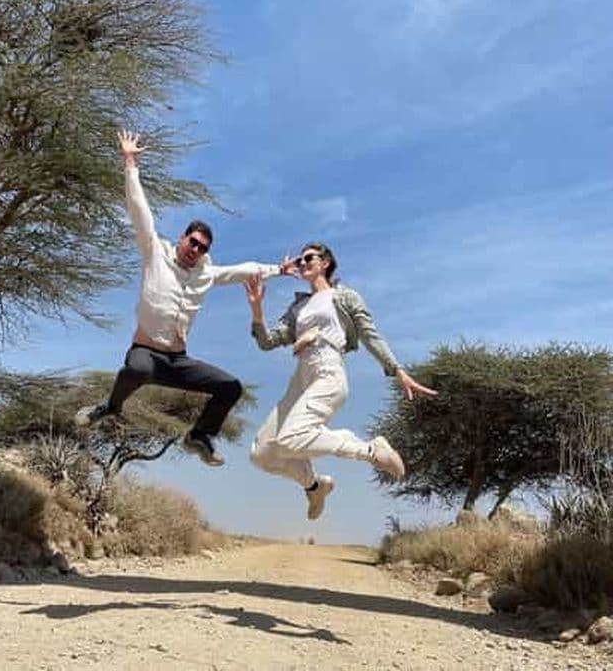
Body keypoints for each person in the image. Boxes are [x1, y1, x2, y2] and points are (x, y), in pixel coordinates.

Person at [76, 129, 295, 466]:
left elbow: (244, 269)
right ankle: (111, 407)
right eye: (193, 242)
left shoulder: (206, 272)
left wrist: (278, 269)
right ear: (182, 238)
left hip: (178, 362)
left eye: (203, 247)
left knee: (231, 387)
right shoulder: (155, 252)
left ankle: (199, 436)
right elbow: (140, 212)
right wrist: (130, 162)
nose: (196, 250)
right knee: (135, 369)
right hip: (146, 353)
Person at [245, 243, 437, 520]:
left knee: (290, 439)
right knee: (261, 455)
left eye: (308, 258)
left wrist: (397, 370)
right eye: (299, 260)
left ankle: (371, 450)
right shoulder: (299, 306)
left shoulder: (344, 296)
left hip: (328, 369)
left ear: (325, 263)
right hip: (301, 377)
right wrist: (257, 311)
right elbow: (267, 342)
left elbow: (370, 335)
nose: (302, 263)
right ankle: (315, 486)